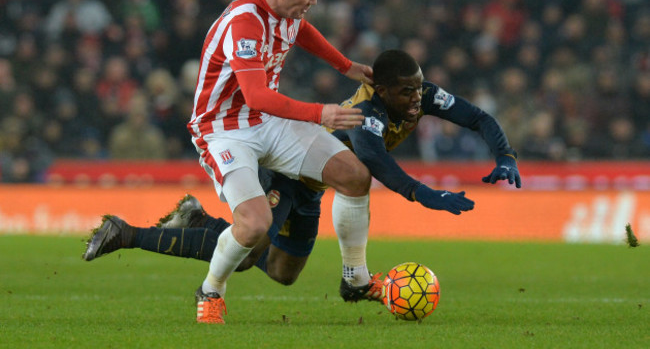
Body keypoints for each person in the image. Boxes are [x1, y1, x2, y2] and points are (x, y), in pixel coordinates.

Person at [83, 49, 521, 311]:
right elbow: (376, 164)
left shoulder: (418, 96)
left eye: (420, 88)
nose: (417, 99)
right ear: (382, 90)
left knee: (282, 273)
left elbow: (477, 116)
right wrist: (425, 195)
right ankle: (127, 233)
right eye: (407, 91)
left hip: (315, 192)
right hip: (291, 174)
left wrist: (505, 155)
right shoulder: (365, 114)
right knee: (251, 252)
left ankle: (201, 221)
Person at [84, 0, 374, 324]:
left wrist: (346, 65)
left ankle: (356, 278)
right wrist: (323, 113)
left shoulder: (286, 12)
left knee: (355, 176)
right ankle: (211, 291)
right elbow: (256, 95)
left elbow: (300, 31)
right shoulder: (246, 21)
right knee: (254, 226)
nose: (314, 1)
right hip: (223, 130)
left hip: (265, 121)